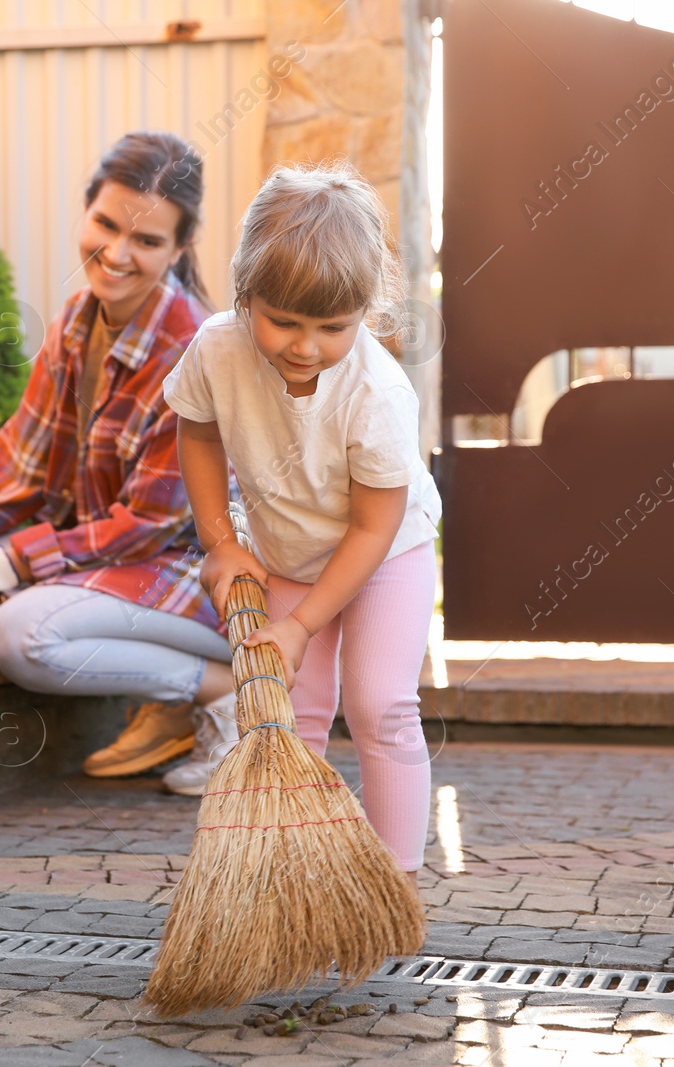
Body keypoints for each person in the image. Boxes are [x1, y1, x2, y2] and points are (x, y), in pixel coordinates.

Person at [0, 131, 239, 794]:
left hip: (208, 575)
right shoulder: (77, 322)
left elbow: (150, 525)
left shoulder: (194, 350)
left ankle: (226, 693)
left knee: (21, 633)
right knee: (1, 603)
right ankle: (171, 705)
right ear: (86, 210)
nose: (115, 253)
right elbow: (21, 462)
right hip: (131, 565)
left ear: (181, 249)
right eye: (105, 223)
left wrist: (4, 562)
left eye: (147, 240)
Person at [162, 161, 442, 881]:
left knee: (382, 705)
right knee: (290, 710)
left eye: (332, 327)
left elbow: (374, 530)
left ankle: (395, 882)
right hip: (287, 551)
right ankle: (298, 883)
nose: (304, 345)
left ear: (365, 314)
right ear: (245, 291)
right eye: (282, 320)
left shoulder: (378, 394)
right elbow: (196, 432)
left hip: (385, 557)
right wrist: (222, 543)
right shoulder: (219, 348)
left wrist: (300, 623)